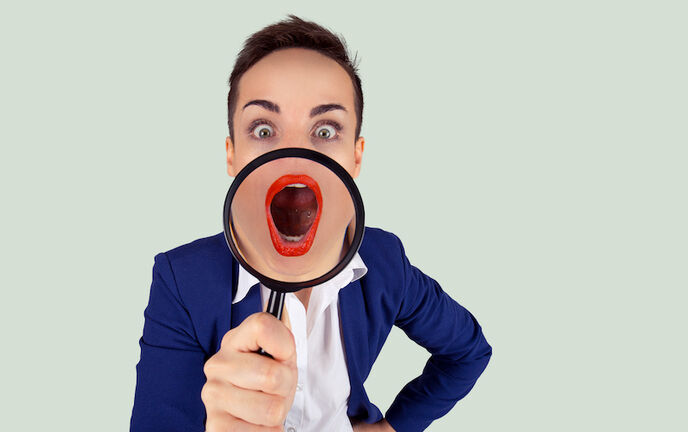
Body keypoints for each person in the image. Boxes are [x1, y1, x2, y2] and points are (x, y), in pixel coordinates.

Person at [130, 15, 492, 432]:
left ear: (356, 157)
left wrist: (394, 428)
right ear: (232, 155)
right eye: (264, 129)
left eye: (325, 129)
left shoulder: (385, 261)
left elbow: (468, 352)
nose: (296, 156)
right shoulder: (181, 279)